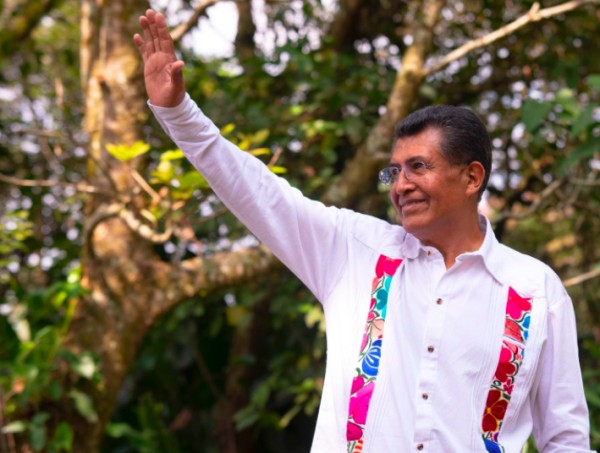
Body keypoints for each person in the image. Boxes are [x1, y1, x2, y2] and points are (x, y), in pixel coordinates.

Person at [134, 9, 593, 453]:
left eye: (418, 167)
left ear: (472, 177)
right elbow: (261, 193)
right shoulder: (354, 251)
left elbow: (566, 440)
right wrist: (179, 113)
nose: (401, 185)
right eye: (394, 171)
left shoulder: (537, 291)